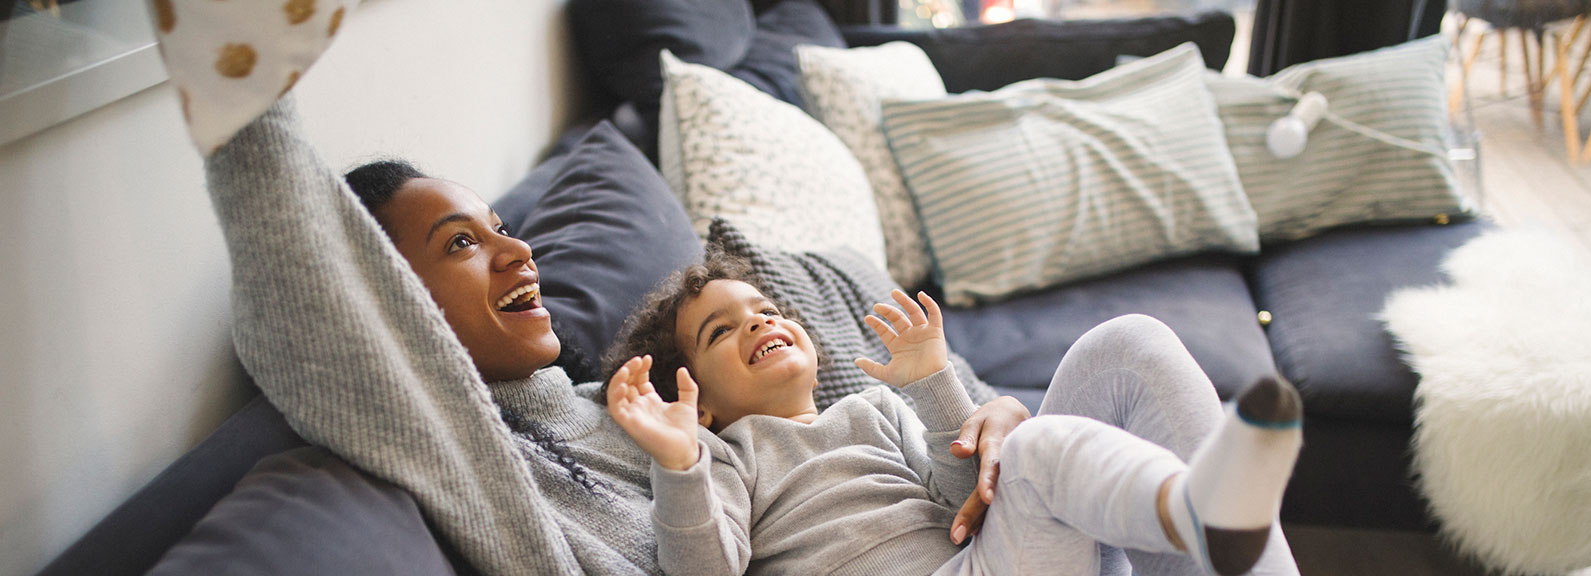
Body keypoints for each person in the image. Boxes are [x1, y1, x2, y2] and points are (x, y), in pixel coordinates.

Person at [203, 96, 1027, 576]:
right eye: (461, 244)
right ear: (391, 307)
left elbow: (824, 426)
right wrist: (240, 86)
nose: (518, 250)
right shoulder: (465, 442)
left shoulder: (653, 400)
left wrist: (985, 422)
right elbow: (302, 290)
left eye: (498, 228)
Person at [602, 250, 1305, 576]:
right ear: (702, 399)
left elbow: (966, 498)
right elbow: (705, 571)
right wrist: (678, 461)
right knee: (1034, 454)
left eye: (764, 310)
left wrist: (936, 383)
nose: (756, 324)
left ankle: (1205, 518)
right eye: (721, 331)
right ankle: (1190, 514)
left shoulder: (874, 407)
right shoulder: (726, 456)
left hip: (1004, 561)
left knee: (1126, 345)